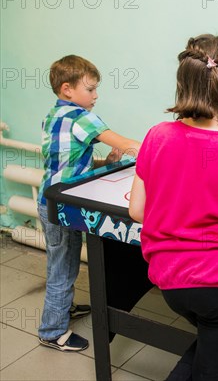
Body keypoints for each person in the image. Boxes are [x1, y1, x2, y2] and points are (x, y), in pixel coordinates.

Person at [128, 34, 218, 381]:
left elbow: (137, 210)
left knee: (216, 339)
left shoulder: (156, 136)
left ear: (184, 83)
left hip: (170, 281)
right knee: (216, 350)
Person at [37, 55, 141, 351]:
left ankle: (62, 309)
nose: (96, 96)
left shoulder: (53, 116)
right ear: (67, 89)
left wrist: (104, 162)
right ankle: (52, 330)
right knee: (64, 266)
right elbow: (127, 145)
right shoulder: (82, 117)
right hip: (62, 206)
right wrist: (163, 150)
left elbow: (64, 165)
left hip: (48, 200)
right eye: (91, 89)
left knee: (61, 260)